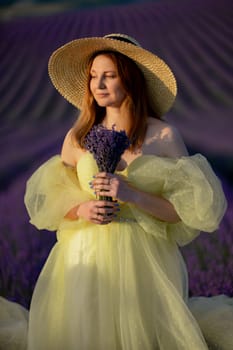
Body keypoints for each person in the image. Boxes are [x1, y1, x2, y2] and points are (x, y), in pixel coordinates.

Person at [0, 33, 231, 350]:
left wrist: (132, 194)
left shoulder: (162, 135)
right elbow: (50, 199)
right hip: (83, 255)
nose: (99, 84)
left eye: (109, 76)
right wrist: (80, 210)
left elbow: (183, 210)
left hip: (144, 258)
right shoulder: (78, 137)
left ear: (131, 80)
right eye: (94, 76)